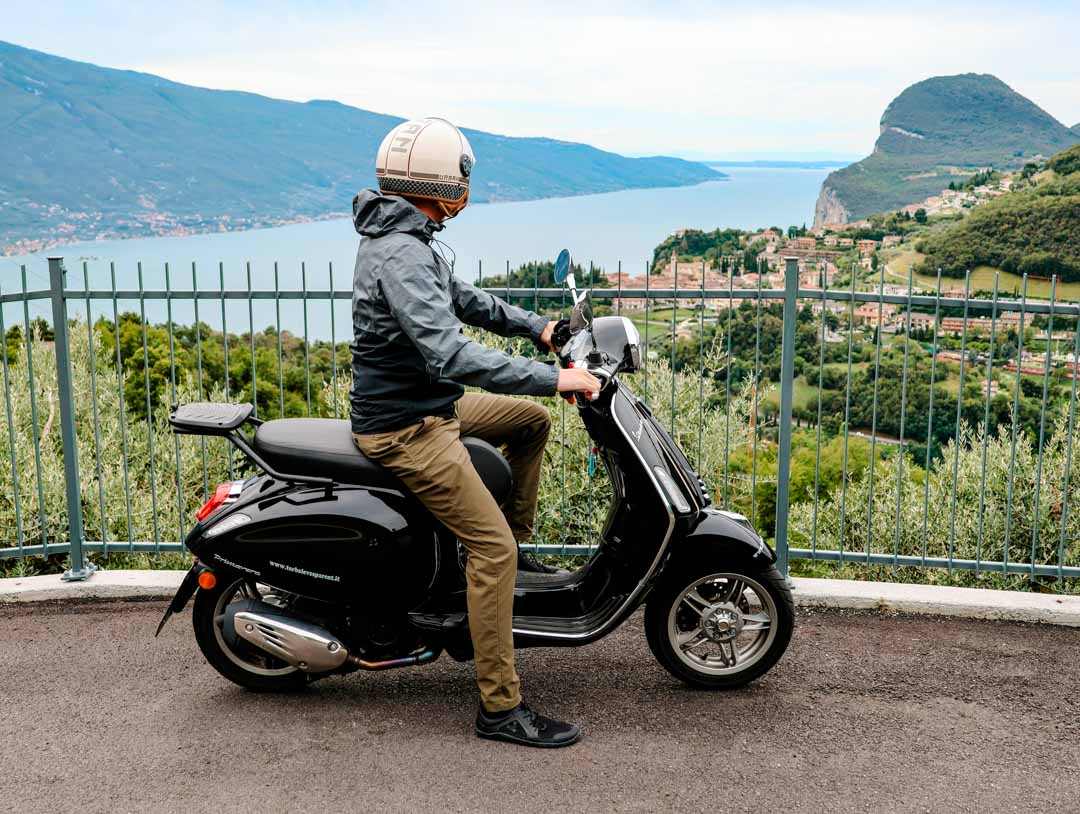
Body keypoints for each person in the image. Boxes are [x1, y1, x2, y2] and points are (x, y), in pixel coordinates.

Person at [349, 117, 600, 748]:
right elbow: (450, 354)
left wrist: (538, 326)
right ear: (440, 180)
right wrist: (556, 377)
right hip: (407, 428)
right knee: (491, 550)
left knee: (529, 423)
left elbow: (465, 300)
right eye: (462, 175)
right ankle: (499, 706)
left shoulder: (409, 235)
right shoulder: (401, 251)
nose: (467, 186)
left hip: (432, 409)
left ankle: (509, 555)